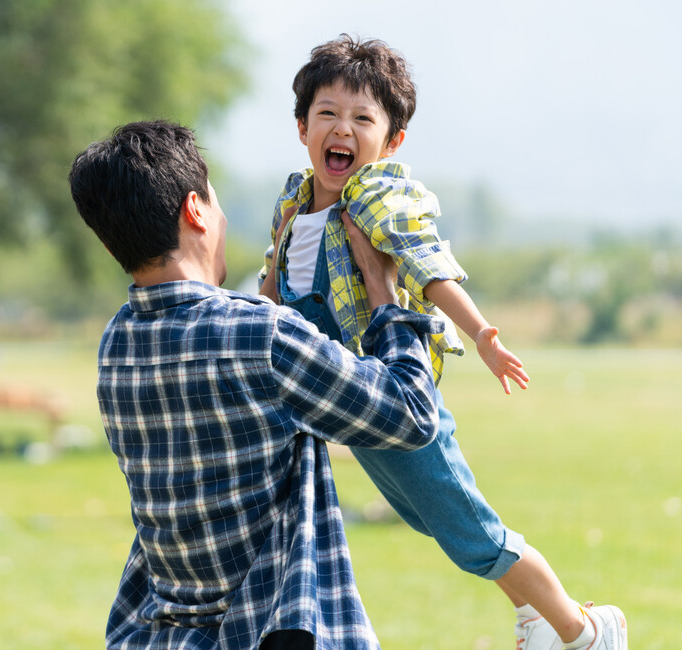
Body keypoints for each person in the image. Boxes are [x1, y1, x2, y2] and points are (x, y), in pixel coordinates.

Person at [258, 35, 627, 650]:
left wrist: (481, 332)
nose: (341, 128)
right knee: (436, 520)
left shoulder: (376, 197)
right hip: (344, 403)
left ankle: (585, 630)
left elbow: (426, 264)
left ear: (391, 140)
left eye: (362, 118)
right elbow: (273, 282)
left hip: (395, 398)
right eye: (327, 113)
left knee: (471, 532)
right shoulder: (292, 205)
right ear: (302, 127)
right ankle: (537, 617)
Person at [69, 119, 445, 649]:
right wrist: (384, 294)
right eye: (216, 203)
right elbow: (410, 413)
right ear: (195, 210)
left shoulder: (117, 345)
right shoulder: (259, 336)